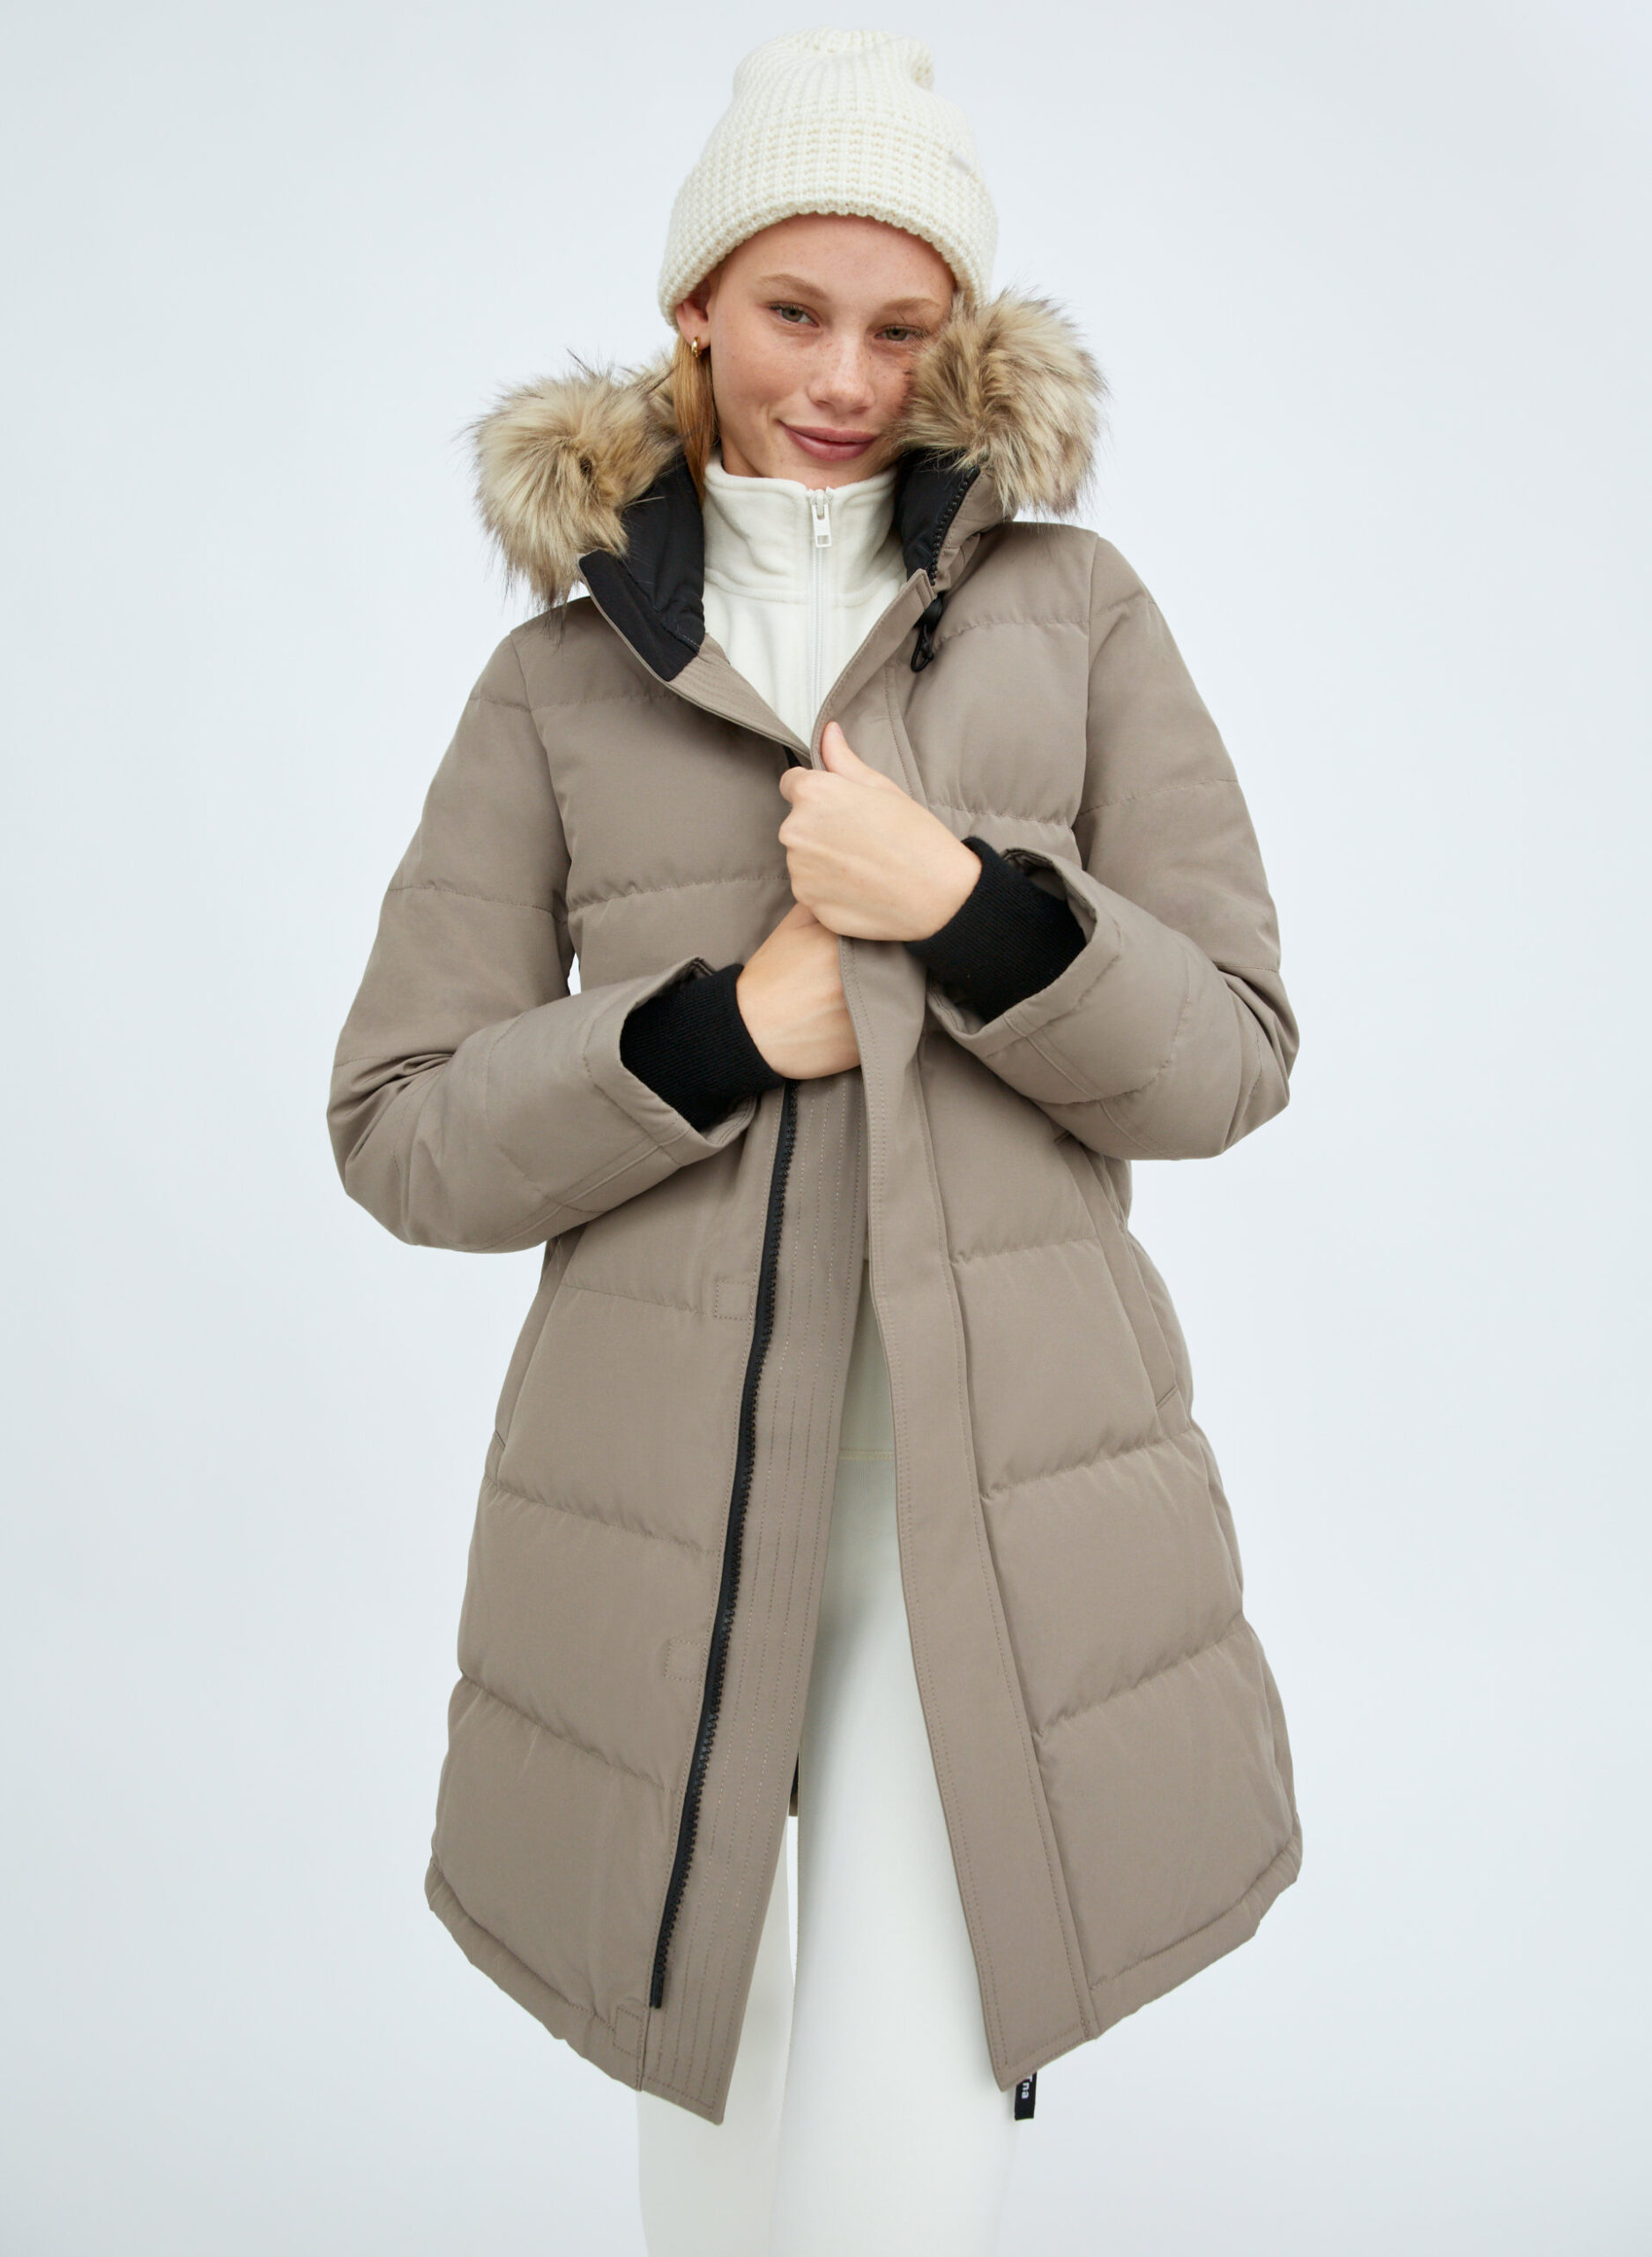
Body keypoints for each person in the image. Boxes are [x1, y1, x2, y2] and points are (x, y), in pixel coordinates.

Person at [327, 28, 1303, 2257]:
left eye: (903, 323)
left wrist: (966, 909)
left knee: (893, 2176)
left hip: (1002, 1517)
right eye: (793, 310)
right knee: (714, 2151)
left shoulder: (1075, 613)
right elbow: (398, 1130)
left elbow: (1232, 1058)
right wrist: (709, 1036)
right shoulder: (558, 684)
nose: (848, 378)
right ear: (693, 304)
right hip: (660, 1522)